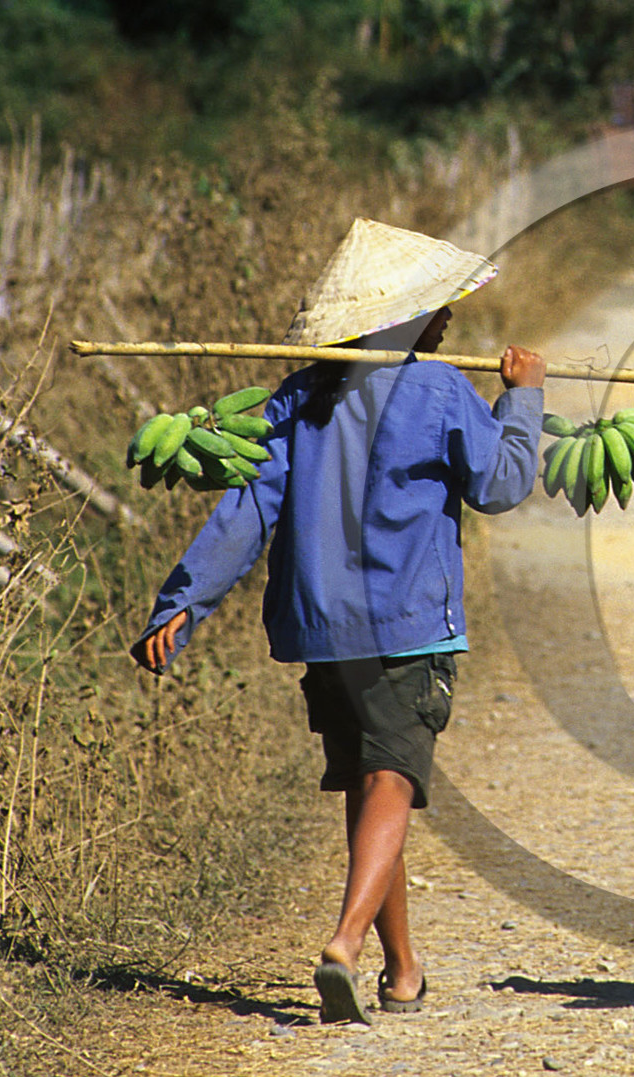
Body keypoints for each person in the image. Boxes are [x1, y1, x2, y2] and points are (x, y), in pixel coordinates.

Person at [131, 218, 547, 1025]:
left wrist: (183, 600)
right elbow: (499, 485)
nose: (448, 320)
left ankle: (403, 969)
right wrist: (523, 399)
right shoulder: (438, 390)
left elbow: (247, 511)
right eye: (438, 308)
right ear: (406, 320)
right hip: (408, 625)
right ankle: (346, 943)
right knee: (394, 778)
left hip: (323, 627)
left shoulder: (298, 397)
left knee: (369, 782)